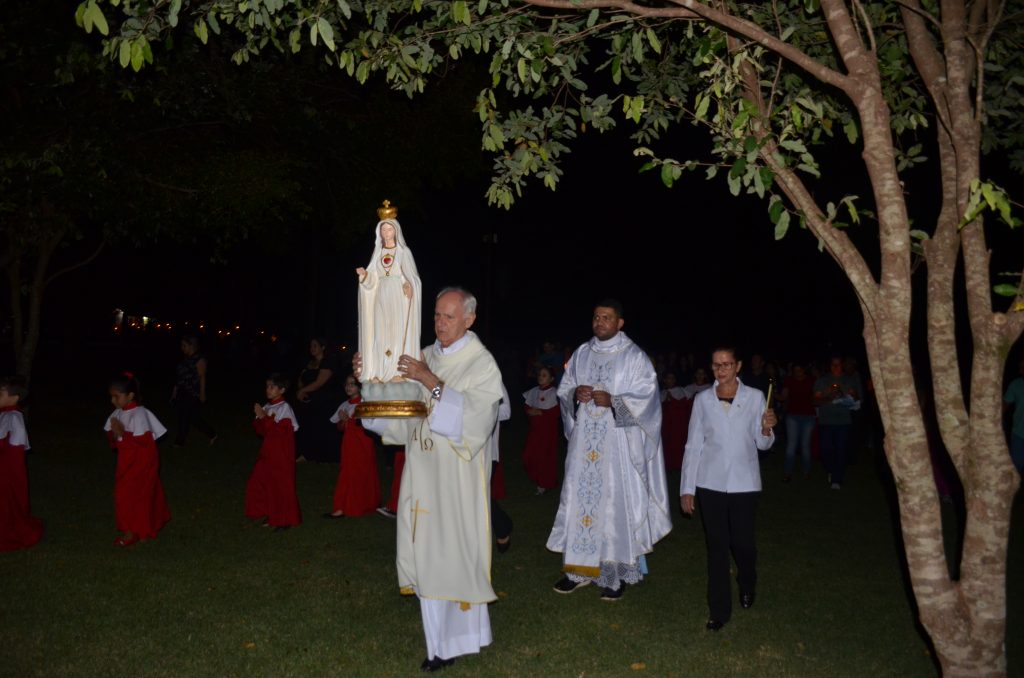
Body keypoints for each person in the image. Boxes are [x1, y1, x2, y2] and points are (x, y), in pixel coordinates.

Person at [357, 287, 503, 672]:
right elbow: (400, 409)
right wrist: (369, 378)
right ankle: (439, 643)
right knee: (427, 554)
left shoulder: (481, 363)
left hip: (455, 479)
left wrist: (431, 381)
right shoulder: (425, 354)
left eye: (448, 316)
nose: (440, 323)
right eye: (437, 315)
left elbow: (477, 421)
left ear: (469, 319)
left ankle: (451, 643)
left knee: (449, 556)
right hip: (421, 475)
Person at [548, 300, 672, 601]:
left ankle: (614, 577)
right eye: (596, 317)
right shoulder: (581, 353)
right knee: (581, 502)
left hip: (617, 447)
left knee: (614, 507)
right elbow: (563, 389)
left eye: (607, 317)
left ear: (620, 323)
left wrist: (615, 402)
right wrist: (575, 395)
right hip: (583, 448)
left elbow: (648, 399)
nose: (600, 322)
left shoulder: (633, 357)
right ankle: (578, 571)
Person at [680, 347, 776, 631]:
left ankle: (747, 580)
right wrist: (687, 488)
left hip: (744, 483)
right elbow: (693, 444)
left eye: (727, 364)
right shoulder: (702, 400)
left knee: (743, 544)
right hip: (710, 483)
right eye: (716, 365)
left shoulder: (755, 398)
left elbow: (763, 444)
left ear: (738, 366)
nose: (721, 370)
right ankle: (719, 610)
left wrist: (768, 429)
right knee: (717, 547)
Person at [356, 206, 422, 387]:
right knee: (380, 332)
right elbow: (372, 280)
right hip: (380, 296)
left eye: (389, 229)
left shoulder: (403, 252)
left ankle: (397, 371)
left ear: (396, 230)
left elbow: (412, 277)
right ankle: (378, 370)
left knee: (396, 333)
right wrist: (365, 276)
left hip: (397, 297)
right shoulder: (377, 253)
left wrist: (408, 284)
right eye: (383, 229)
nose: (386, 232)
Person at [104, 373, 171, 547]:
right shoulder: (118, 413)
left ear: (130, 395)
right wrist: (114, 434)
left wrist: (122, 435)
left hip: (141, 464)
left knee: (136, 496)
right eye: (111, 396)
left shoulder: (140, 414)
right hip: (125, 463)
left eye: (116, 396)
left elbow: (145, 445)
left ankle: (132, 532)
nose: (113, 400)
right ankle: (137, 530)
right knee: (126, 495)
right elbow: (114, 441)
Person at [245, 374, 302, 530]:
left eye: (272, 387)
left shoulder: (284, 408)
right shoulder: (268, 406)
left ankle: (284, 519)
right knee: (258, 482)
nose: (268, 390)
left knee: (281, 486)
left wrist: (264, 417)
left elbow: (281, 432)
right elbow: (260, 430)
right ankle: (270, 512)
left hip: (281, 455)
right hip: (267, 453)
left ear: (282, 390)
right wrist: (260, 418)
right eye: (267, 386)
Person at [324, 374, 381, 518]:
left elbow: (368, 425)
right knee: (347, 472)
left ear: (359, 387)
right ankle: (342, 506)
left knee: (360, 472)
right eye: (346, 384)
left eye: (352, 384)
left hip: (362, 443)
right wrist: (344, 422)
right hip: (349, 444)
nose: (348, 387)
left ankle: (360, 505)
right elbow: (339, 426)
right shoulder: (345, 404)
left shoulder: (364, 403)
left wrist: (349, 421)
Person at [0, 375, 44, 551]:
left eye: (1, 393)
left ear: (14, 397)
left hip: (7, 470)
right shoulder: (3, 416)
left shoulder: (15, 418)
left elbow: (16, 451)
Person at [814, 356, 861, 489]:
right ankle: (831, 469)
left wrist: (852, 395)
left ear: (842, 366)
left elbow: (858, 399)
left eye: (838, 364)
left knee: (841, 450)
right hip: (826, 421)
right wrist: (827, 395)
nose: (836, 367)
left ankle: (836, 479)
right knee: (825, 450)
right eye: (833, 365)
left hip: (843, 422)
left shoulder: (849, 380)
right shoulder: (822, 381)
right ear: (830, 366)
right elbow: (815, 401)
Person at [294, 337, 341, 463]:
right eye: (311, 346)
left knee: (322, 429)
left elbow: (320, 382)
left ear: (323, 347)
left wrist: (303, 391)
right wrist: (302, 390)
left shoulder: (328, 362)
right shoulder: (309, 363)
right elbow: (301, 378)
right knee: (307, 428)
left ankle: (324, 456)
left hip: (324, 402)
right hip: (309, 401)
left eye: (315, 346)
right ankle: (306, 454)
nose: (312, 349)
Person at [521, 365, 560, 495]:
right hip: (535, 430)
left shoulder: (554, 392)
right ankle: (536, 477)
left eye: (544, 375)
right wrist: (530, 411)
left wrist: (541, 412)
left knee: (545, 457)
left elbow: (556, 412)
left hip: (547, 432)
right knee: (529, 455)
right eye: (539, 375)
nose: (540, 377)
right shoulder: (534, 391)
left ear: (551, 378)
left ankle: (543, 483)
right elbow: (526, 406)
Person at [171, 335, 217, 447]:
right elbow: (179, 378)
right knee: (192, 418)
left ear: (192, 346)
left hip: (192, 393)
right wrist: (174, 392)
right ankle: (212, 434)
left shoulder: (199, 359)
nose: (182, 348)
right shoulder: (185, 359)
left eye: (184, 346)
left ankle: (179, 442)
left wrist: (202, 394)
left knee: (185, 416)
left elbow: (202, 377)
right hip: (182, 392)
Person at [779, 362, 816, 481]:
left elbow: (817, 396)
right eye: (795, 370)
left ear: (804, 370)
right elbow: (783, 397)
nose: (797, 373)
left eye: (799, 370)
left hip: (808, 416)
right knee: (791, 445)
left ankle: (807, 472)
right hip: (793, 416)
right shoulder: (789, 381)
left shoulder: (812, 380)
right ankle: (787, 473)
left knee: (805, 445)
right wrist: (772, 393)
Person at [660, 371, 691, 471]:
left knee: (678, 445)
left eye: (673, 378)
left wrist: (672, 401)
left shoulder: (681, 391)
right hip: (666, 426)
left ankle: (679, 466)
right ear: (664, 380)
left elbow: (685, 408)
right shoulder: (661, 393)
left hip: (678, 425)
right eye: (669, 378)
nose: (671, 380)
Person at [1003, 357, 1024, 473]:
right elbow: (1005, 404)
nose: (1020, 371)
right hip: (1018, 434)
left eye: (1023, 368)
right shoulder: (1016, 385)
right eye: (1020, 368)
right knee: (1015, 468)